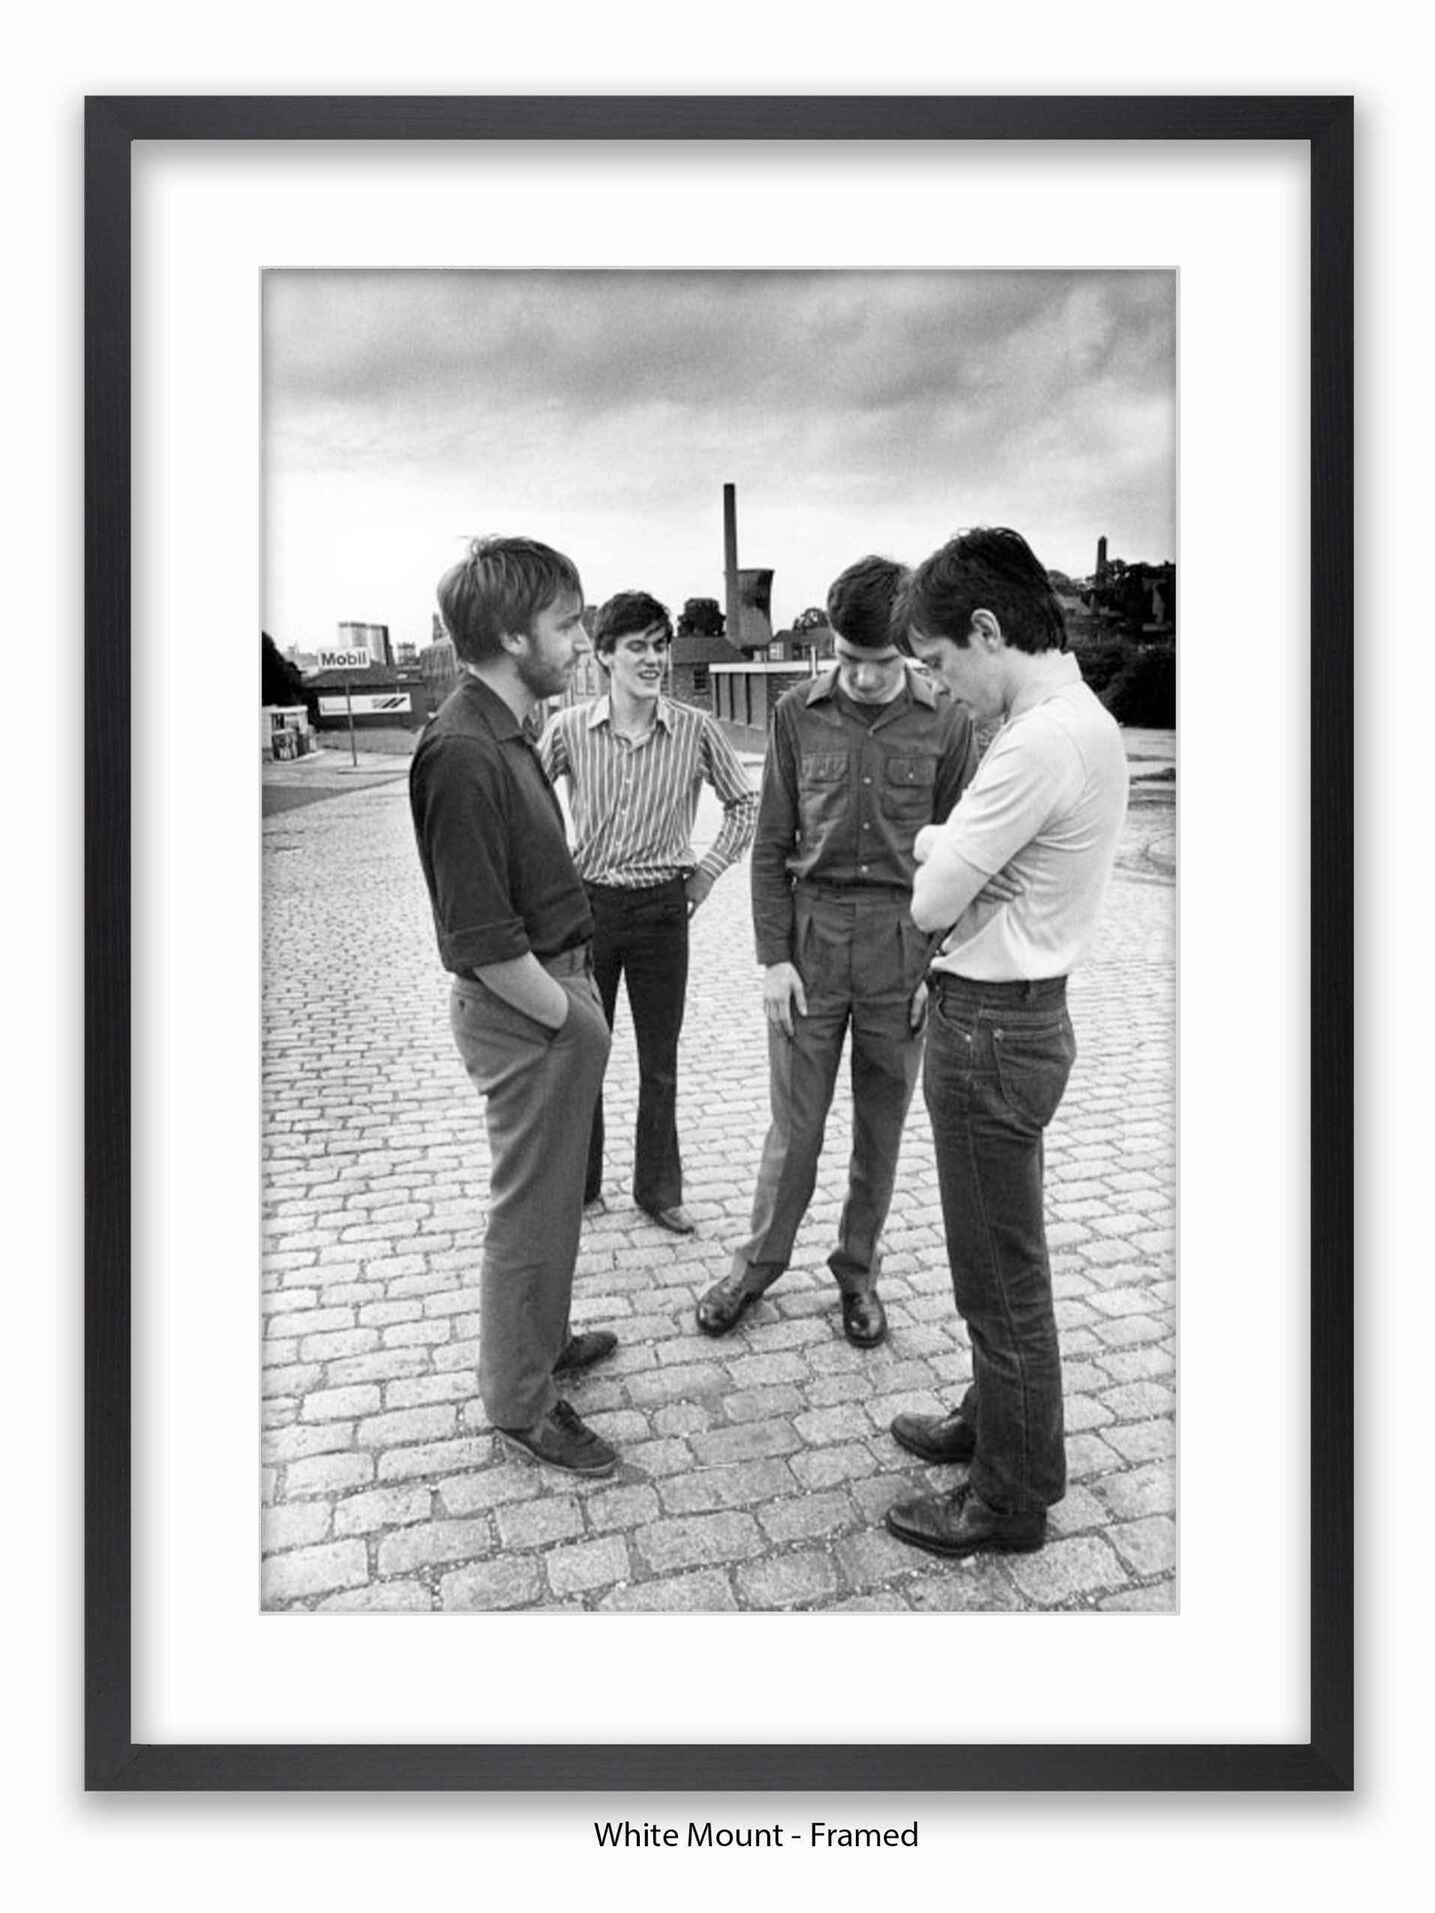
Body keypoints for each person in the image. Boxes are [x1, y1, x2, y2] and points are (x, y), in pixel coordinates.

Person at [883, 526, 1129, 1559]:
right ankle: (993, 1420)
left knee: (999, 1276)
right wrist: (956, 847)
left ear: (987, 629)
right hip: (1016, 1017)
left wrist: (941, 844)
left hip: (991, 1027)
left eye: (940, 664)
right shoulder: (1077, 722)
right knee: (997, 1259)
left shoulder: (1037, 739)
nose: (941, 689)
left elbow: (930, 895)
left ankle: (1010, 1496)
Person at [695, 555, 979, 1349]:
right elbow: (770, 843)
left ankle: (858, 1274)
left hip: (903, 943)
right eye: (848, 659)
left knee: (880, 1127)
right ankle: (755, 1267)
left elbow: (961, 855)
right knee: (795, 1126)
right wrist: (772, 959)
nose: (860, 677)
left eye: (880, 662)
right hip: (811, 945)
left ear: (909, 653)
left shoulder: (947, 721)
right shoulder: (794, 714)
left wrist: (941, 960)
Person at [408, 535, 620, 1479]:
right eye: (566, 624)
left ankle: (542, 1337)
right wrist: (569, 1018)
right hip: (526, 1007)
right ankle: (521, 1400)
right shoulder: (460, 749)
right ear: (508, 634)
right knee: (529, 1213)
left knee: (552, 1205)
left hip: (549, 992)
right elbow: (481, 937)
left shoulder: (506, 726)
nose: (581, 642)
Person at [540, 590, 757, 1233]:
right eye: (637, 646)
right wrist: (552, 877)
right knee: (585, 1054)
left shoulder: (694, 729)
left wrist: (707, 874)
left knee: (660, 1059)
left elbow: (744, 805)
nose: (653, 659)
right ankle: (579, 1187)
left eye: (660, 646)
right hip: (590, 909)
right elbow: (526, 796)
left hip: (664, 910)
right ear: (605, 655)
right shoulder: (571, 729)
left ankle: (658, 1190)